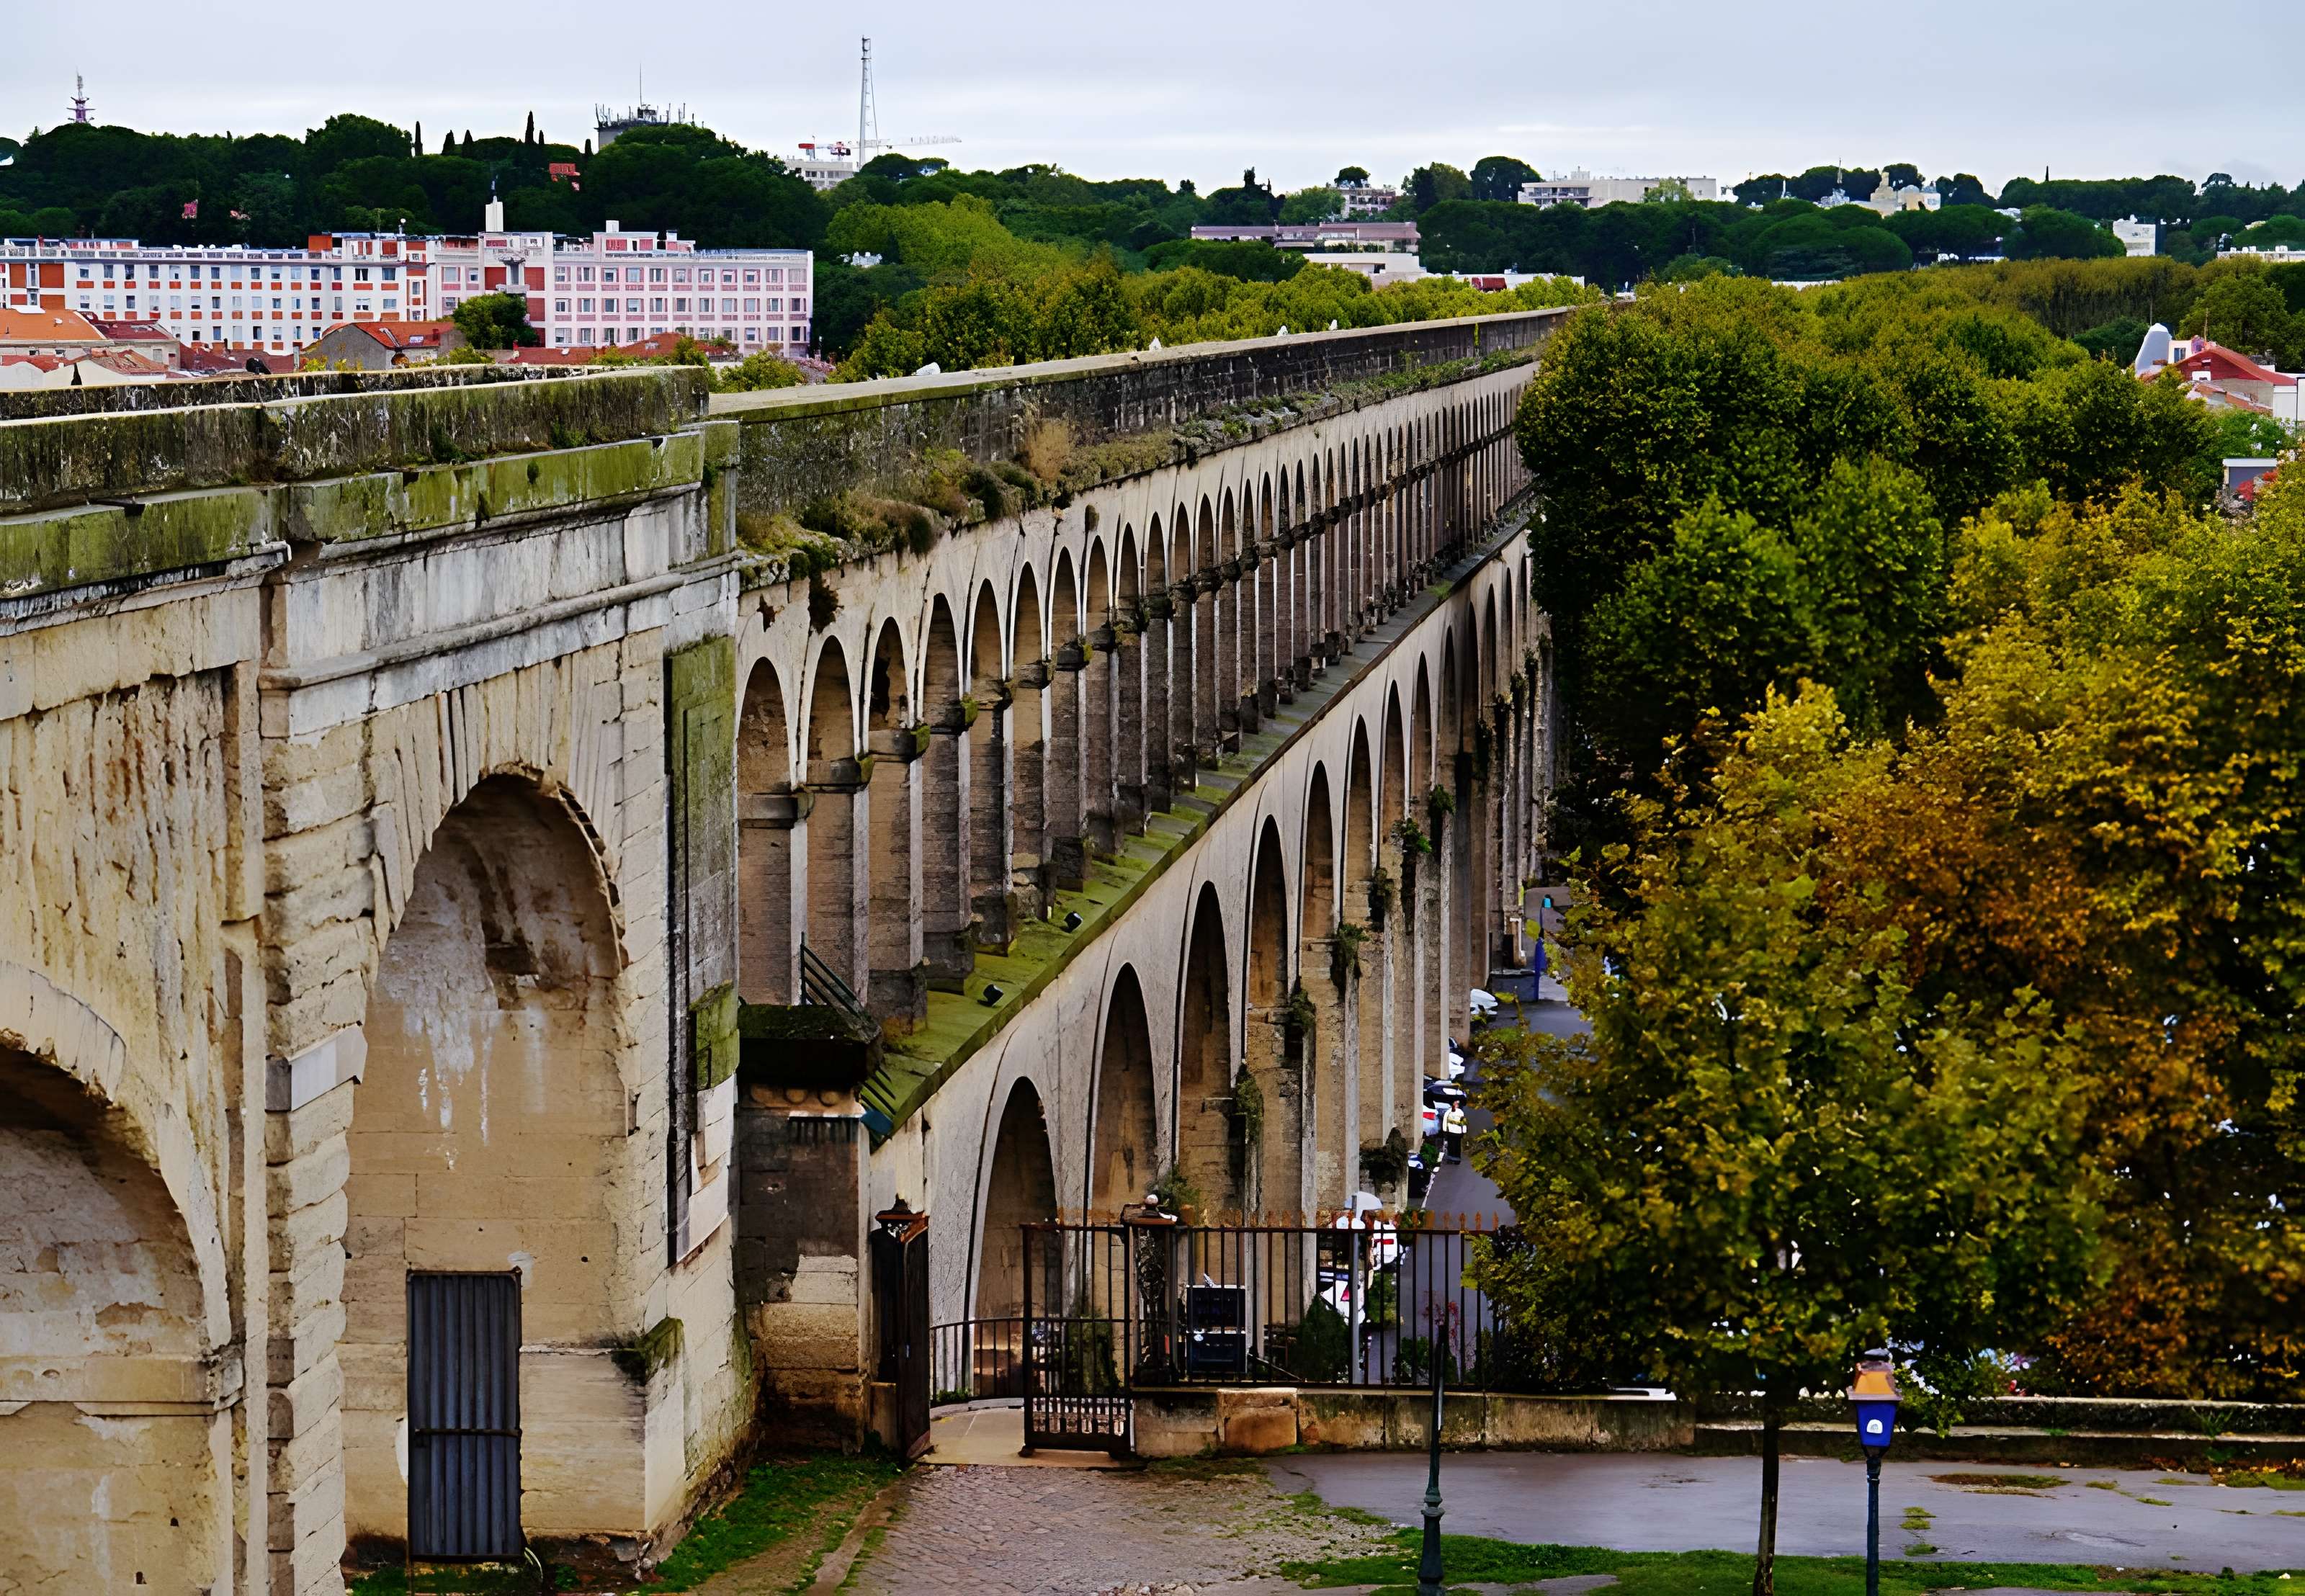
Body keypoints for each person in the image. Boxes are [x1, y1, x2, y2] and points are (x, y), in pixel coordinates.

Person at [1442, 1098, 1467, 1164]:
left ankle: (1457, 1159)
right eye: (1455, 1103)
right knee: (1451, 1145)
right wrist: (1445, 1130)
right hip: (1450, 1131)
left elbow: (1463, 1122)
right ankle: (1451, 1159)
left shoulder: (1461, 1112)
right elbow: (1445, 1121)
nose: (1457, 1105)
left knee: (1457, 1146)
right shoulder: (1448, 1112)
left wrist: (1464, 1130)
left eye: (1458, 1103)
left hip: (1458, 1132)